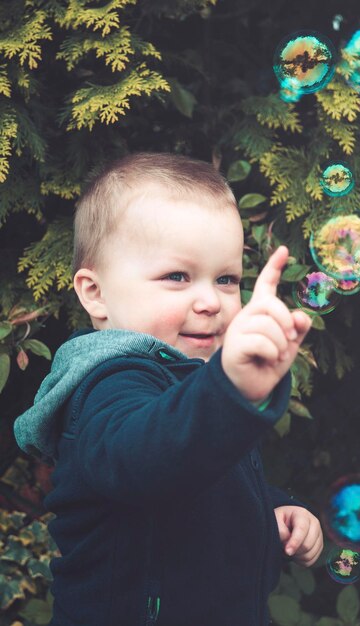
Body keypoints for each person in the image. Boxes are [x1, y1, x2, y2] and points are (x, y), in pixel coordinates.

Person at [14, 152, 323, 626]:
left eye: (226, 280)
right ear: (94, 292)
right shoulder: (107, 385)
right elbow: (149, 458)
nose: (210, 302)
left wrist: (276, 505)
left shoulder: (194, 382)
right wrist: (231, 387)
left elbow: (208, 471)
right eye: (176, 277)